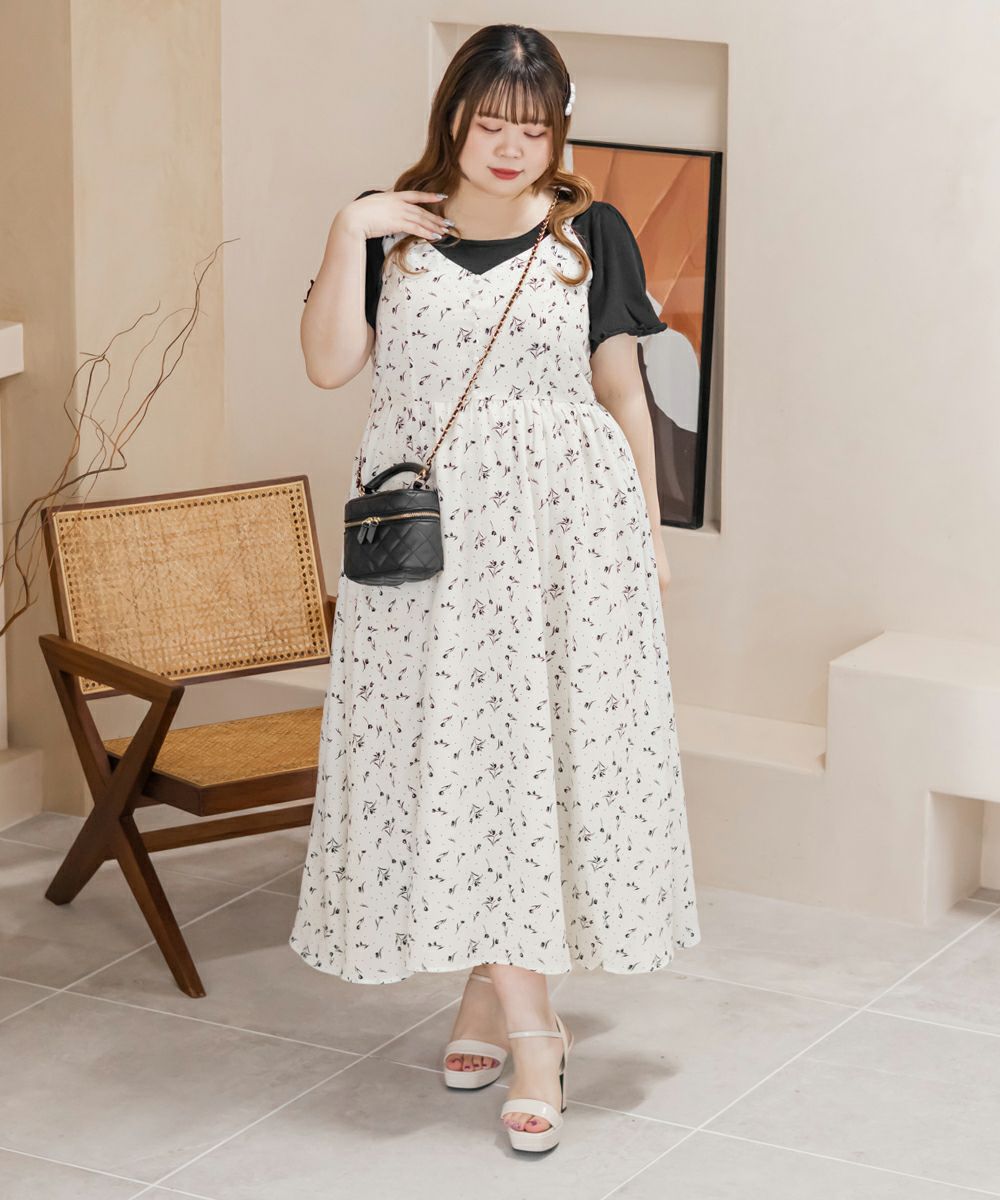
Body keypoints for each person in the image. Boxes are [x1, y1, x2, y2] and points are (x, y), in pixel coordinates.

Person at [291, 22, 701, 1152]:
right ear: (453, 123)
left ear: (557, 133)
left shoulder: (589, 232)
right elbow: (328, 364)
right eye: (490, 127)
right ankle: (521, 1014)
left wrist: (649, 537)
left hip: (564, 535)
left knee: (528, 763)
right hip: (426, 548)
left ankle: (520, 1026)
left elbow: (621, 393)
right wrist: (347, 230)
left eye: (533, 129)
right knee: (457, 758)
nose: (511, 149)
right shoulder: (390, 228)